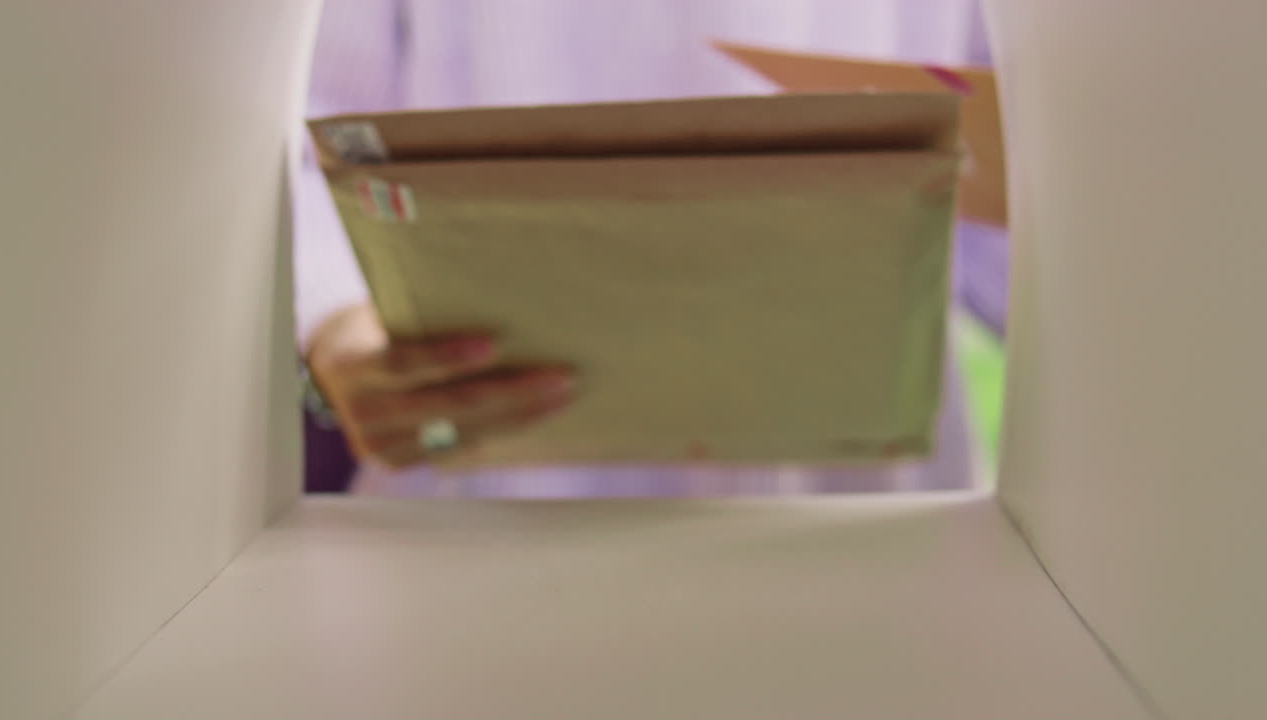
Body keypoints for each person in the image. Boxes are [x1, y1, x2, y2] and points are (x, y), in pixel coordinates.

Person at [298, 0, 988, 496]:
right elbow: (303, 123)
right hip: (483, 493)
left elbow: (1011, 167)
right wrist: (336, 321)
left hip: (868, 511)